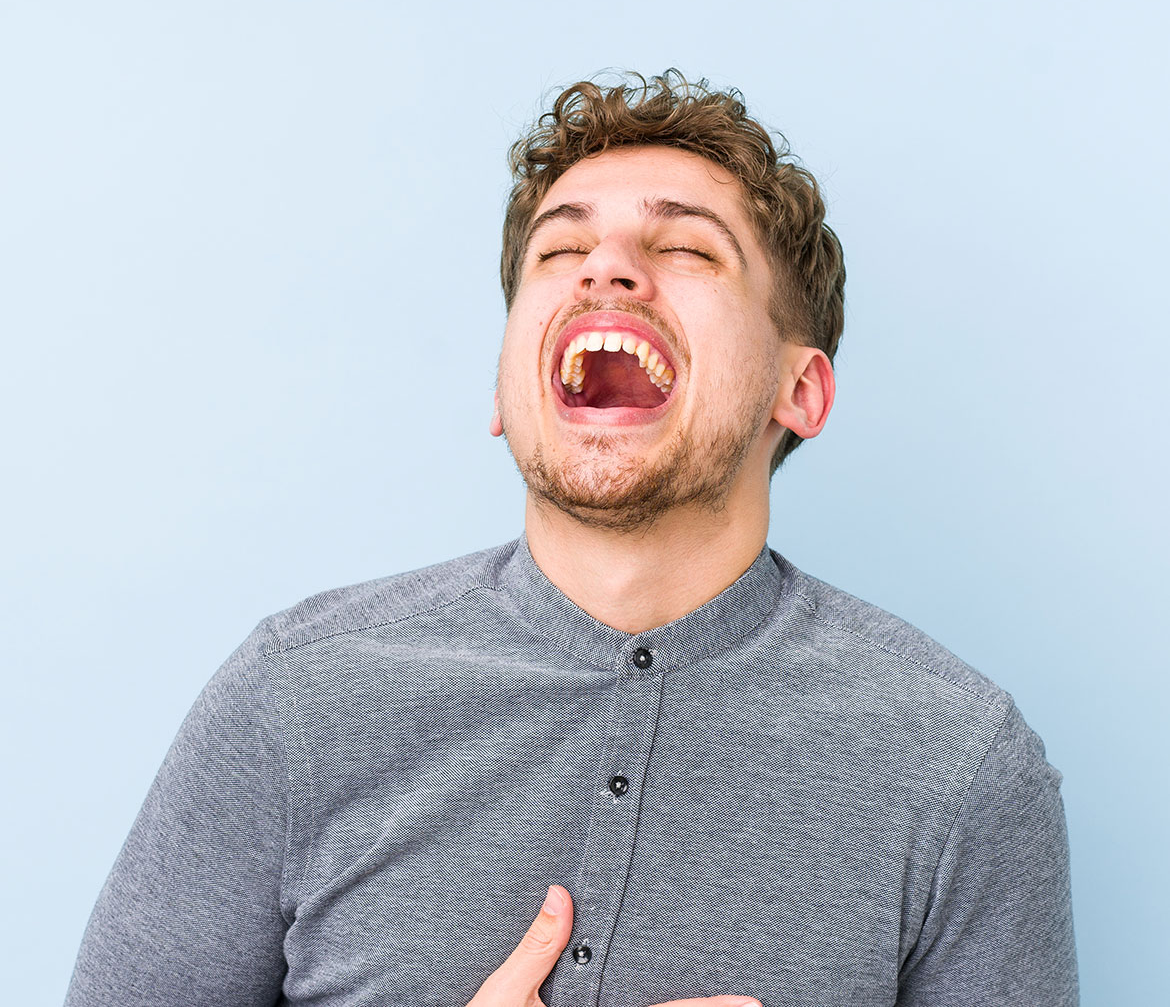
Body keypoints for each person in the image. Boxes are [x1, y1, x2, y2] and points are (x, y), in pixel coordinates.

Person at [65, 71, 1078, 1007]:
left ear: (800, 391)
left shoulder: (960, 766)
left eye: (687, 249)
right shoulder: (290, 698)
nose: (607, 269)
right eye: (558, 252)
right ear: (507, 388)